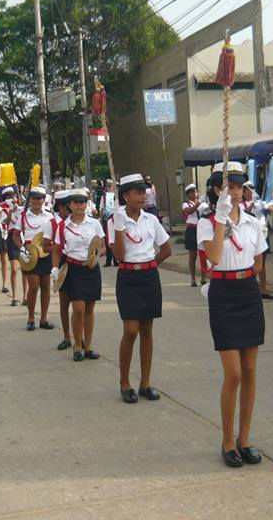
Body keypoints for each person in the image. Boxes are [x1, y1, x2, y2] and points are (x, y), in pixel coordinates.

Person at [197, 162, 267, 468]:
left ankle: (245, 438)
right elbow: (212, 256)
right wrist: (222, 219)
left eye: (239, 187)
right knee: (234, 373)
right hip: (223, 295)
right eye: (229, 187)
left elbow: (259, 262)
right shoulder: (207, 222)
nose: (236, 192)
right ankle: (227, 440)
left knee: (250, 371)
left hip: (248, 292)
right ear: (216, 190)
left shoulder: (253, 222)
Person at [111, 173, 172, 403]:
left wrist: (150, 265)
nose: (142, 196)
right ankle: (124, 382)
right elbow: (118, 255)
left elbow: (166, 249)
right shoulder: (117, 220)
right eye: (137, 192)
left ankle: (145, 382)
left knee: (147, 330)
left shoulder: (151, 220)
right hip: (127, 277)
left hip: (148, 277)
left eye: (144, 192)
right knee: (131, 330)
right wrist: (118, 227)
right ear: (125, 195)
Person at [51, 189, 105, 361]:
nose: (80, 205)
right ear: (70, 205)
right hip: (73, 269)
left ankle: (88, 346)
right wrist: (54, 268)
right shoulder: (63, 226)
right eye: (76, 202)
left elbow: (103, 246)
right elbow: (57, 250)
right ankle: (77, 345)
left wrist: (97, 256)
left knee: (89, 309)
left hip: (91, 269)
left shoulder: (94, 223)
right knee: (78, 308)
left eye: (82, 202)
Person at [11, 186, 54, 332]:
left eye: (39, 198)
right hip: (30, 253)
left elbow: (55, 234)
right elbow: (16, 234)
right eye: (34, 198)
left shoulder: (49, 216)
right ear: (30, 200)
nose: (36, 201)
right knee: (34, 286)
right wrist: (21, 248)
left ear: (44, 200)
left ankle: (44, 318)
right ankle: (30, 317)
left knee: (46, 286)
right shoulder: (24, 216)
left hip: (45, 252)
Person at [241, 181, 273, 300]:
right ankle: (250, 289)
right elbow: (245, 212)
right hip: (249, 236)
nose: (251, 192)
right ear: (244, 191)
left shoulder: (259, 202)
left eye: (252, 189)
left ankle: (263, 290)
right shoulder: (241, 205)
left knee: (262, 265)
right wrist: (253, 204)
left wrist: (267, 207)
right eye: (248, 190)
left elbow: (271, 209)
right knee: (249, 263)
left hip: (262, 235)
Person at [48, 190, 73, 349]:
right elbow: (44, 245)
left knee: (80, 304)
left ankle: (80, 336)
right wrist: (58, 250)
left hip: (78, 263)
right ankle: (66, 336)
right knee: (65, 303)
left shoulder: (80, 221)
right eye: (65, 208)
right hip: (62, 262)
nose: (67, 211)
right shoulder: (52, 223)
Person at [0, 187, 22, 306]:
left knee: (25, 269)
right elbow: (5, 223)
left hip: (23, 237)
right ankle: (14, 296)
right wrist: (10, 212)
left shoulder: (22, 208)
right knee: (14, 269)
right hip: (11, 237)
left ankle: (25, 296)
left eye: (12, 196)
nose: (11, 199)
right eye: (8, 197)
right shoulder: (3, 209)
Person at [181, 183, 202, 287]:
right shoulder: (186, 204)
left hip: (201, 230)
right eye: (192, 192)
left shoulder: (202, 203)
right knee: (193, 255)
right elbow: (189, 211)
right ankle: (193, 278)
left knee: (203, 254)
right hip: (192, 230)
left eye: (196, 191)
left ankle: (203, 277)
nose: (195, 193)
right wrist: (198, 204)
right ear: (188, 194)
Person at [100, 179, 117, 267]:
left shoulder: (116, 196)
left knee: (115, 239)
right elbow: (102, 209)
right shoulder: (104, 197)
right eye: (108, 186)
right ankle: (108, 260)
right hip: (107, 219)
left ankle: (116, 259)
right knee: (108, 240)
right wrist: (101, 220)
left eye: (111, 186)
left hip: (115, 219)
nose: (109, 188)